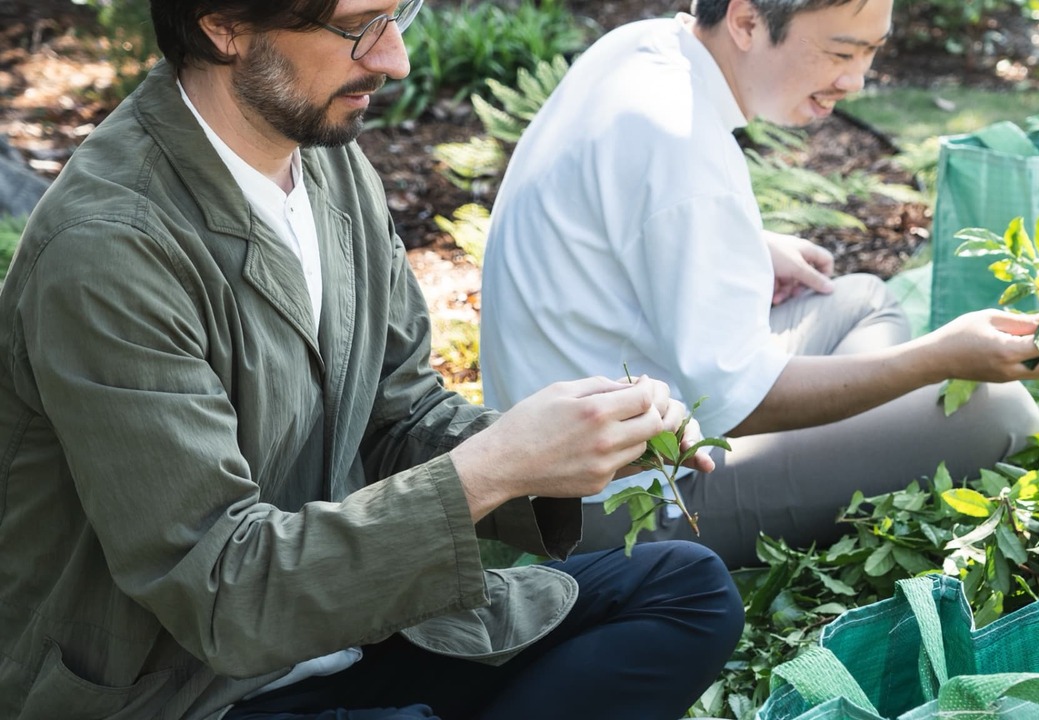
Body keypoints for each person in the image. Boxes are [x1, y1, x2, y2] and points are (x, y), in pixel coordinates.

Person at [0, 1, 744, 718]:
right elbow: (224, 592)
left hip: (349, 634)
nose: (395, 57)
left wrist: (575, 443)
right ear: (223, 26)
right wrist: (493, 469)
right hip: (182, 690)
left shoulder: (327, 162)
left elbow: (401, 415)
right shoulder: (110, 250)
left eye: (398, 15)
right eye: (356, 27)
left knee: (689, 592)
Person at [479, 0, 1039, 569]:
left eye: (870, 52)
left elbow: (616, 212)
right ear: (746, 21)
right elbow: (746, 400)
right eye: (841, 51)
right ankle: (844, 453)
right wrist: (938, 357)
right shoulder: (683, 145)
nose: (856, 80)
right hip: (614, 502)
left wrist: (744, 248)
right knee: (1001, 411)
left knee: (862, 299)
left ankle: (848, 446)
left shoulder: (643, 48)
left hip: (593, 424)